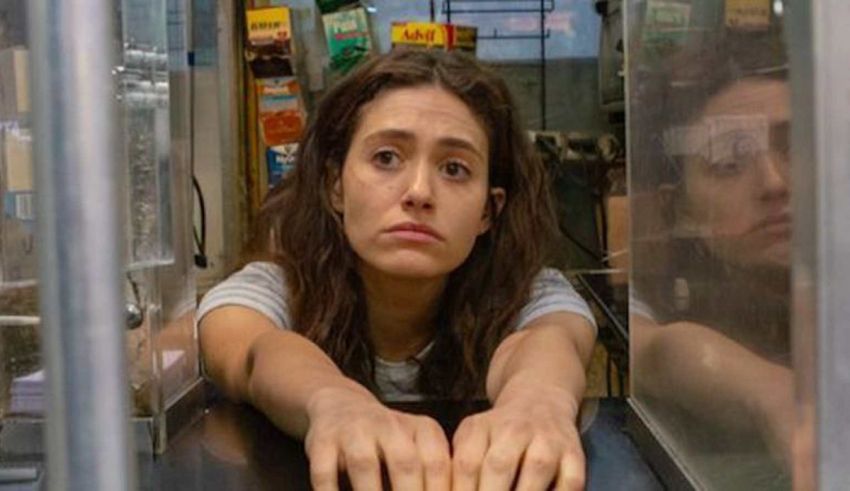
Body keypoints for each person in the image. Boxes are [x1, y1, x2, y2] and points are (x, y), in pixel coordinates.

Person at [197, 48, 597, 491]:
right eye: (386, 158)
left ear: (488, 209)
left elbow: (552, 340)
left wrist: (539, 402)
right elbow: (257, 350)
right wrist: (334, 402)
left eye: (454, 168)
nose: (419, 192)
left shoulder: (529, 290)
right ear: (336, 188)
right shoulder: (275, 285)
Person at [629, 44, 804, 486]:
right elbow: (652, 350)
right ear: (679, 208)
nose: (774, 182)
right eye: (728, 162)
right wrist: (775, 396)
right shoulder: (654, 296)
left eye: (798, 148)